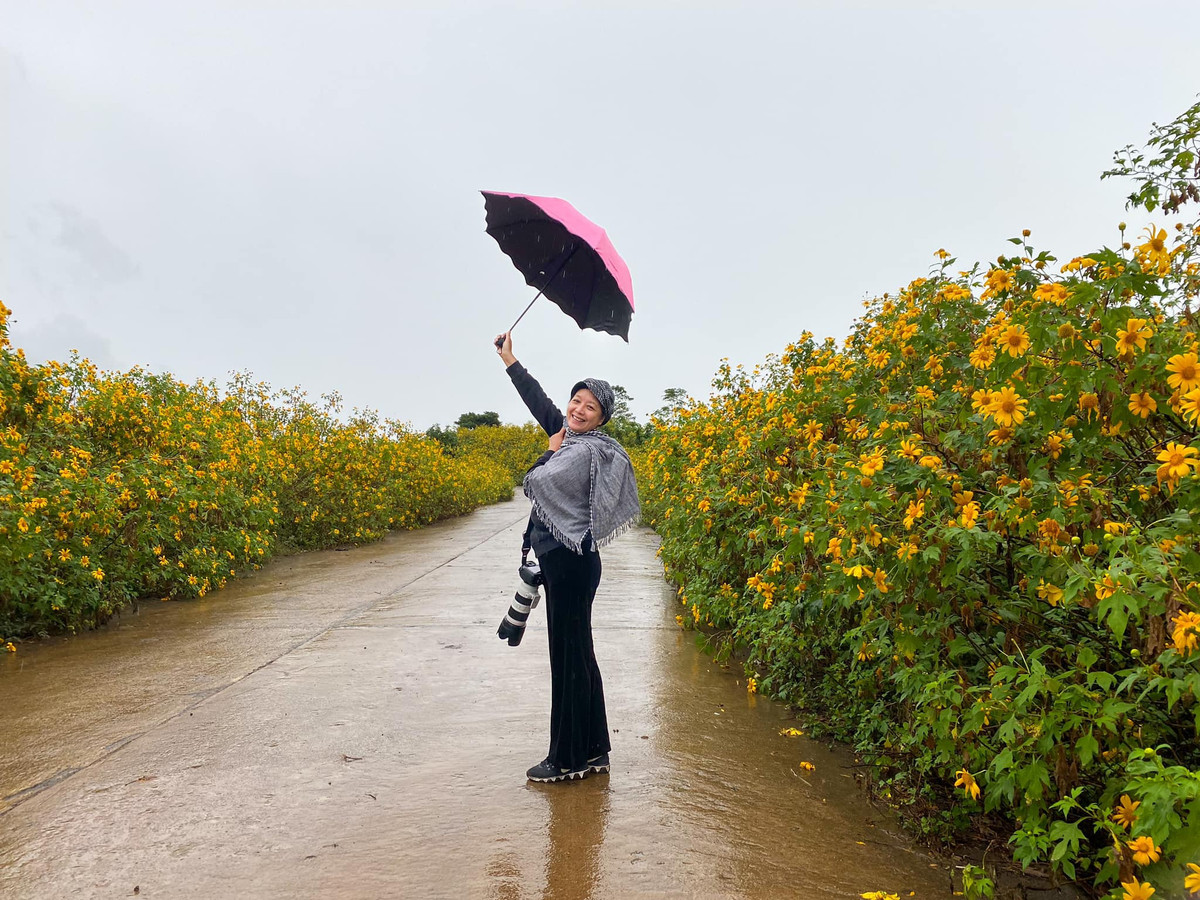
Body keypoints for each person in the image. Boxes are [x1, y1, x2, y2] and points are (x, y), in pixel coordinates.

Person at [495, 331, 640, 783]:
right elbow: (541, 406)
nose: (577, 410)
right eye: (576, 400)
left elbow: (538, 481)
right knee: (579, 656)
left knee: (568, 660)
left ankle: (566, 760)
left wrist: (548, 452)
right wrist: (510, 359)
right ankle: (594, 750)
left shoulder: (583, 451)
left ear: (601, 418)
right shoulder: (574, 439)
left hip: (570, 564)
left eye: (588, 407)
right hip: (569, 562)